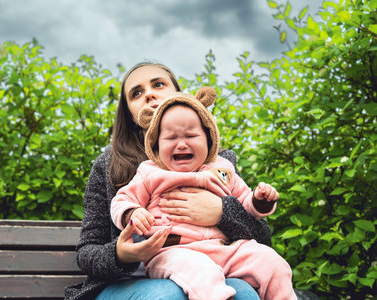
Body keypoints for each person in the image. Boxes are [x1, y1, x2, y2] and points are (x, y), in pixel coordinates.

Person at [64, 62, 273, 300]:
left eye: (158, 84)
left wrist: (221, 211)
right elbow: (87, 251)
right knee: (169, 294)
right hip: (125, 284)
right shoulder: (109, 164)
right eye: (136, 93)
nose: (149, 93)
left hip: (209, 273)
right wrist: (121, 255)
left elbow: (262, 239)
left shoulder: (218, 162)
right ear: (133, 114)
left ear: (179, 96)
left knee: (244, 293)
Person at [110, 87, 297, 300]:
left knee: (271, 261)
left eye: (191, 135)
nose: (181, 144)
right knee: (203, 274)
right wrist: (131, 213)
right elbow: (122, 200)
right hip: (173, 253)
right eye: (170, 138)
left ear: (209, 140)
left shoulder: (223, 169)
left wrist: (259, 201)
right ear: (156, 145)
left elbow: (244, 203)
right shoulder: (150, 172)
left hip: (224, 249)